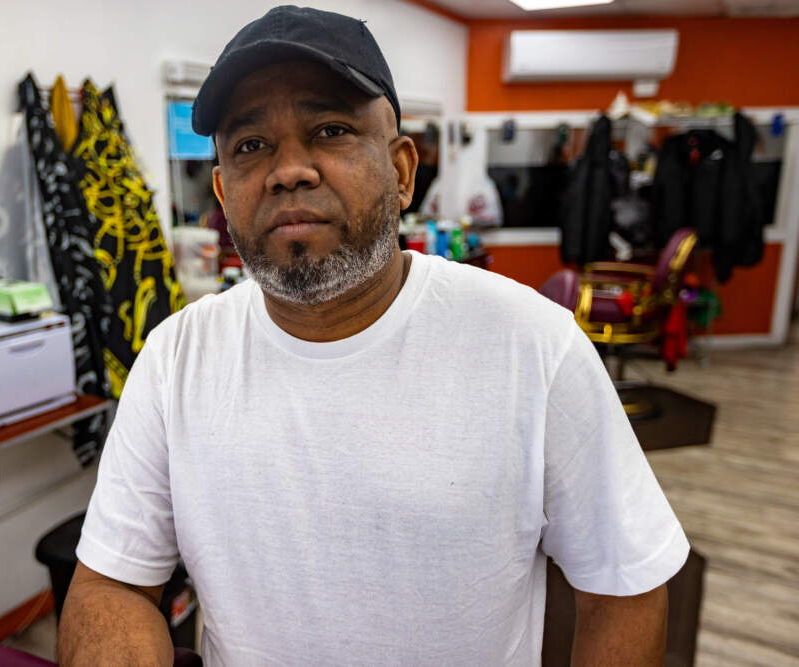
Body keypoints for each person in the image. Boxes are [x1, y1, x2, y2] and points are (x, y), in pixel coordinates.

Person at [58, 6, 689, 666]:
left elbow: (624, 586)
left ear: (403, 170)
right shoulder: (174, 359)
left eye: (330, 130)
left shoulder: (532, 346)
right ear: (222, 191)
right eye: (251, 146)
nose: (288, 170)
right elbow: (114, 582)